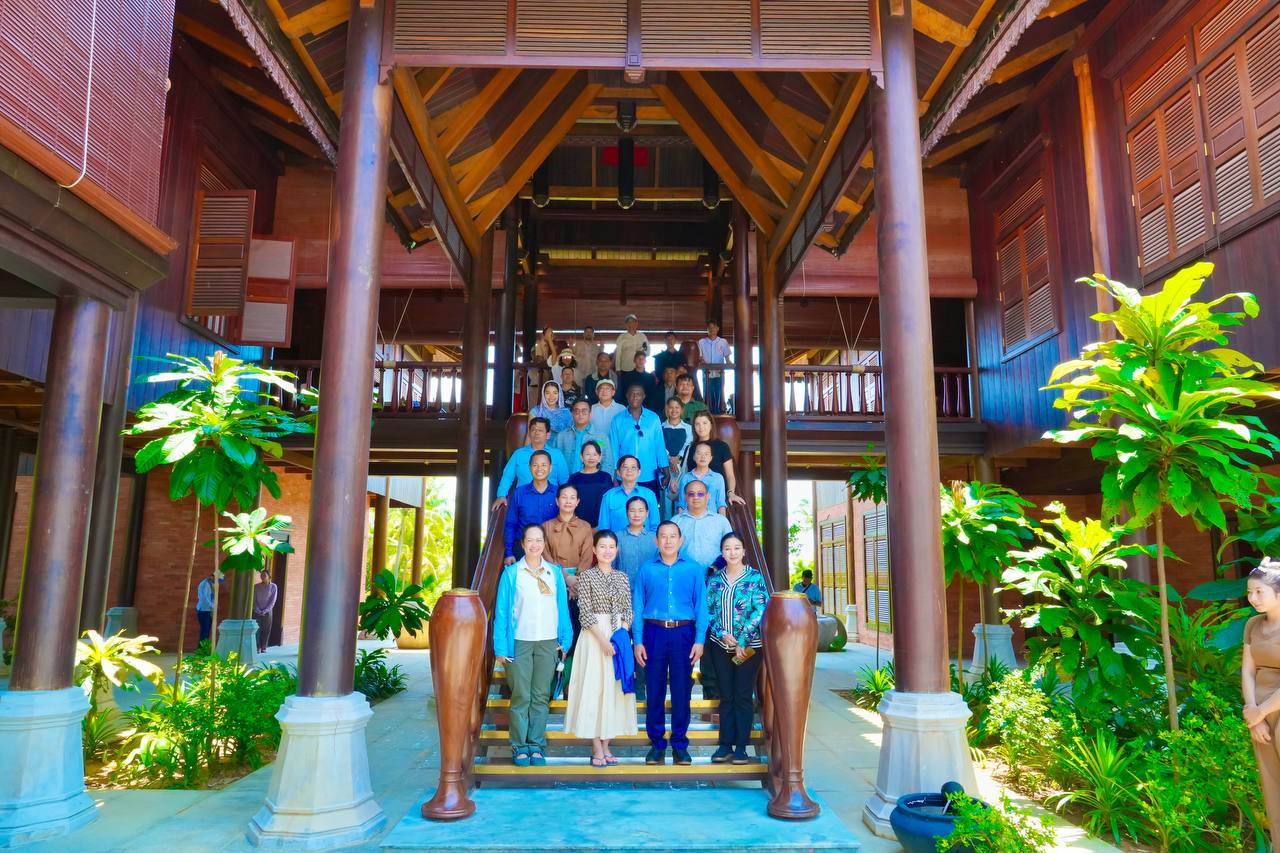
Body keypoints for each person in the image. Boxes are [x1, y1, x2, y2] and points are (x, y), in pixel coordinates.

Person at [493, 523, 573, 767]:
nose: (535, 544)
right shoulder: (512, 574)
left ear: (544, 543)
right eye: (530, 540)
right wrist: (500, 647)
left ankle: (536, 745)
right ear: (522, 543)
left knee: (540, 695)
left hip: (548, 642)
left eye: (539, 540)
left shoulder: (554, 573)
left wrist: (566, 639)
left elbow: (562, 608)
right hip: (520, 642)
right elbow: (502, 612)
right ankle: (519, 746)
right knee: (521, 696)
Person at [632, 521, 708, 765]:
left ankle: (679, 744)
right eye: (663, 536)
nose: (668, 541)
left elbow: (702, 607)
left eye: (673, 536)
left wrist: (699, 640)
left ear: (680, 540)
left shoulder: (694, 569)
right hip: (653, 633)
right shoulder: (646, 569)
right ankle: (656, 744)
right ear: (656, 541)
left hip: (683, 634)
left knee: (681, 690)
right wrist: (638, 641)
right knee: (654, 689)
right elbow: (637, 606)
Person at [563, 530, 638, 765]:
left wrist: (621, 634)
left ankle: (607, 745)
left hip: (619, 636)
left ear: (617, 550)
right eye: (602, 546)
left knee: (614, 690)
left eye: (611, 546)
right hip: (594, 637)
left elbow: (628, 610)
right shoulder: (586, 577)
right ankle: (596, 746)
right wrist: (604, 641)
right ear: (594, 550)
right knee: (594, 689)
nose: (607, 550)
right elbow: (584, 613)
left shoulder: (622, 577)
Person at [705, 532, 768, 764]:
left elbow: (760, 609)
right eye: (727, 548)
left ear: (743, 551)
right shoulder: (714, 580)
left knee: (742, 695)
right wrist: (722, 633)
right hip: (720, 646)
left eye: (736, 548)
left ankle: (741, 747)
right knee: (726, 695)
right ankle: (725, 746)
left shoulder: (755, 578)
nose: (732, 552)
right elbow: (708, 611)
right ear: (722, 553)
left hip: (748, 649)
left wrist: (742, 640)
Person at [1244, 557, 1280, 846]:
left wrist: (1260, 712)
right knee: (1272, 790)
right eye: (1249, 592)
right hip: (1259, 712)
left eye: (1259, 592)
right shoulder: (1252, 625)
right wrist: (1252, 713)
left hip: (1272, 708)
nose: (1253, 598)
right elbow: (1247, 670)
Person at [609, 384, 665, 502]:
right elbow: (613, 448)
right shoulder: (617, 419)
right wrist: (614, 474)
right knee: (625, 507)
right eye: (632, 394)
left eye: (638, 394)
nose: (635, 397)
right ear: (627, 396)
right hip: (625, 474)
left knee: (648, 506)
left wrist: (665, 468)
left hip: (648, 473)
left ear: (644, 396)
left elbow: (659, 445)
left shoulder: (653, 418)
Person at [494, 417, 569, 504]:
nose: (536, 433)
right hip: (524, 500)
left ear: (547, 435)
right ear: (529, 433)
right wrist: (501, 495)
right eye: (533, 430)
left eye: (540, 430)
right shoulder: (518, 454)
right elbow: (507, 476)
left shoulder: (557, 455)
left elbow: (564, 481)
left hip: (551, 501)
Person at [503, 450, 560, 564]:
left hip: (552, 549)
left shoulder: (558, 493)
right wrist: (508, 553)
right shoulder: (519, 493)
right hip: (523, 549)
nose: (539, 469)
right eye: (535, 465)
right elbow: (511, 523)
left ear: (550, 468)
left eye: (543, 465)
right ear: (529, 468)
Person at [682, 411, 746, 506]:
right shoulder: (690, 448)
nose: (701, 427)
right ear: (694, 427)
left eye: (704, 423)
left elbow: (730, 475)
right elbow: (686, 473)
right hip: (694, 499)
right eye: (697, 424)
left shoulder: (722, 446)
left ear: (711, 425)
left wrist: (731, 492)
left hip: (716, 498)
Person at [672, 479, 733, 569]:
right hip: (684, 574)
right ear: (685, 497)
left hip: (716, 575)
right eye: (691, 494)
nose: (696, 497)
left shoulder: (721, 521)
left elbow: (731, 548)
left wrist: (716, 567)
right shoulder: (675, 522)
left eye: (700, 494)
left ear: (708, 496)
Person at [598, 456, 660, 534]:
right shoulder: (609, 496)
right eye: (625, 467)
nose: (629, 470)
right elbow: (603, 528)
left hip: (644, 541)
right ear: (618, 472)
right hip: (616, 541)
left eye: (633, 467)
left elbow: (655, 527)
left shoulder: (649, 495)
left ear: (639, 472)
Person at [544, 484, 594, 576]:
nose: (568, 501)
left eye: (572, 498)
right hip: (554, 576)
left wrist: (578, 577)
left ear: (577, 502)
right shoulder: (546, 526)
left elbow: (587, 557)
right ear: (557, 501)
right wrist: (563, 576)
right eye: (564, 497)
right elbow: (545, 555)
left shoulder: (585, 526)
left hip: (580, 578)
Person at [555, 399, 613, 475]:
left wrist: (604, 480)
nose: (580, 414)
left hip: (593, 480)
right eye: (577, 411)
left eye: (584, 411)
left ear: (590, 414)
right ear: (572, 414)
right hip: (566, 480)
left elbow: (607, 463)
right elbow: (555, 462)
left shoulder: (601, 437)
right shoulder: (561, 436)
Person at [568, 441, 614, 527]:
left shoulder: (606, 477)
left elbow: (610, 503)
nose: (591, 458)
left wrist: (600, 526)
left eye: (595, 454)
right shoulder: (574, 478)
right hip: (578, 525)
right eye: (588, 454)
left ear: (600, 457)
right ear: (581, 457)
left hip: (602, 525)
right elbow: (569, 502)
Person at [660, 397, 693, 519]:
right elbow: (659, 444)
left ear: (682, 410)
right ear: (666, 409)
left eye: (677, 407)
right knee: (666, 500)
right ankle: (666, 523)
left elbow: (688, 444)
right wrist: (669, 458)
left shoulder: (688, 428)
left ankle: (679, 524)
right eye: (671, 407)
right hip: (665, 466)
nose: (674, 410)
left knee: (681, 496)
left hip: (682, 466)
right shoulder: (661, 427)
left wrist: (678, 458)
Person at [615, 495, 659, 586]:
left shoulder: (655, 538)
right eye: (632, 510)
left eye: (641, 510)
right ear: (627, 513)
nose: (636, 515)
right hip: (622, 589)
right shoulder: (616, 537)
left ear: (647, 513)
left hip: (649, 589)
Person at [675, 441, 727, 515]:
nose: (703, 457)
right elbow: (681, 504)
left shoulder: (718, 478)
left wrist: (723, 521)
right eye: (699, 453)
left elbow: (721, 504)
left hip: (711, 519)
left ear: (711, 458)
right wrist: (681, 521)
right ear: (694, 457)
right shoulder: (686, 478)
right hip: (690, 518)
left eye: (706, 454)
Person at [697, 320, 731, 414]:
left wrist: (731, 364)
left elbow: (727, 359)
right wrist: (705, 364)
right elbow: (700, 358)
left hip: (719, 373)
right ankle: (709, 414)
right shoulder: (701, 342)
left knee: (719, 392)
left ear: (717, 329)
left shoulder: (723, 342)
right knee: (708, 393)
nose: (712, 329)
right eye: (709, 328)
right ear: (707, 329)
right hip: (706, 373)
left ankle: (719, 413)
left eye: (714, 327)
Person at [253, 569, 278, 654]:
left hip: (268, 611)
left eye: (264, 575)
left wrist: (265, 610)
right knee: (257, 629)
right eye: (261, 575)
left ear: (269, 577)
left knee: (266, 629)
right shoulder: (256, 586)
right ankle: (257, 647)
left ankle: (263, 647)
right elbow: (254, 600)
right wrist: (257, 609)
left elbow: (273, 601)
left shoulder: (273, 587)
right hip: (257, 611)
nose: (262, 576)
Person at [529, 325, 559, 397]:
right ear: (544, 335)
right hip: (544, 374)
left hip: (552, 373)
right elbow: (539, 360)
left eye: (552, 333)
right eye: (549, 332)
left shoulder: (553, 345)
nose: (551, 334)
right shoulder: (540, 345)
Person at [195, 572, 220, 647]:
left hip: (209, 611)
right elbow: (204, 598)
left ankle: (204, 648)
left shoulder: (211, 584)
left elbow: (212, 597)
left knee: (207, 631)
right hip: (203, 610)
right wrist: (212, 606)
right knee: (204, 631)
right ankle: (201, 649)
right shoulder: (205, 584)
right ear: (212, 576)